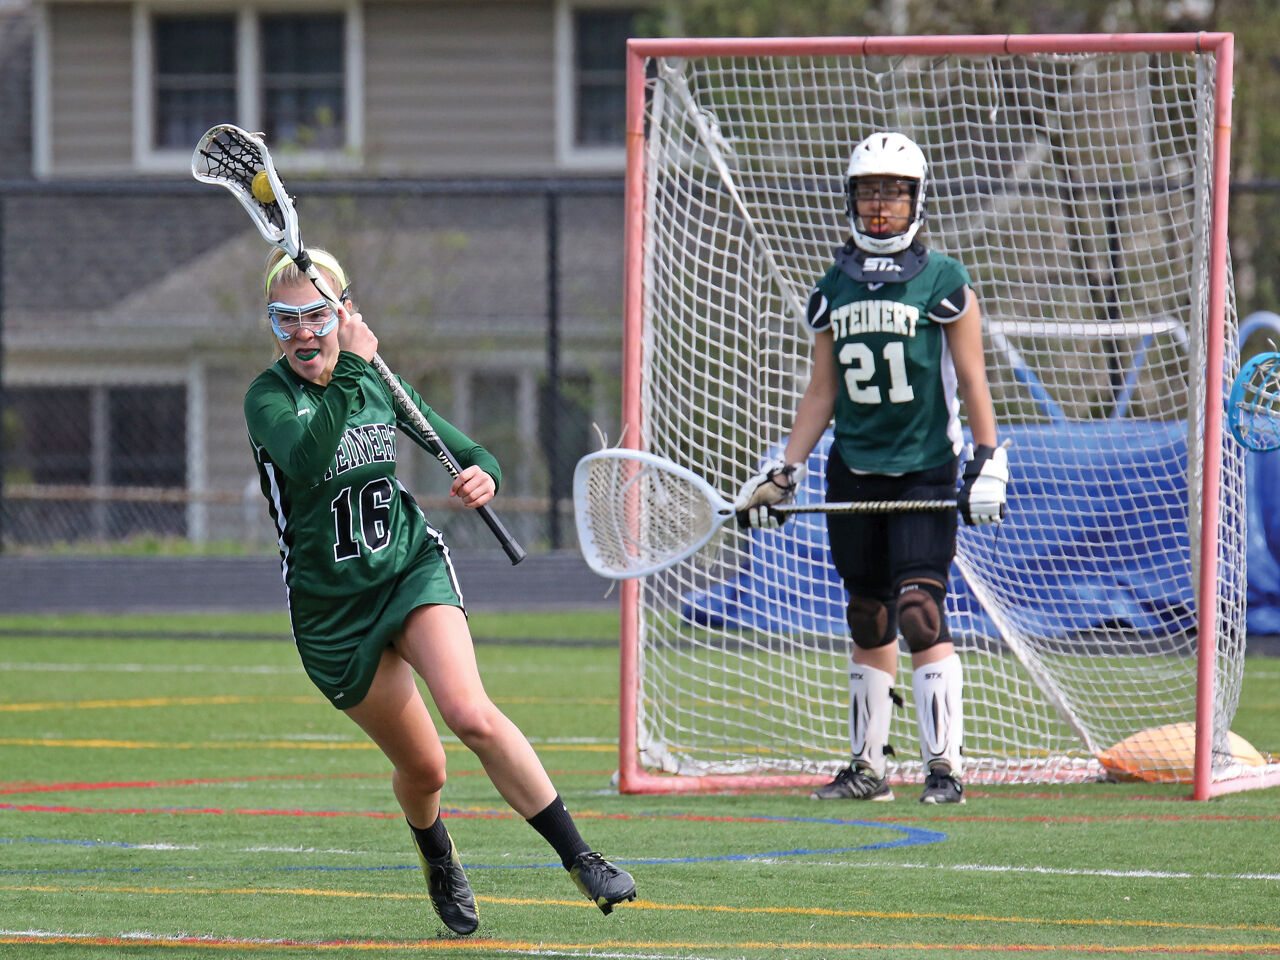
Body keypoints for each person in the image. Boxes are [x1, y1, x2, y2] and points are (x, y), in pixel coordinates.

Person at [243, 247, 636, 935]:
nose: (304, 333)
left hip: (407, 570)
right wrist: (357, 364)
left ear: (344, 312)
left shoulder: (377, 382)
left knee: (471, 714)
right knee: (425, 771)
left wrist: (483, 475)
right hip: (332, 613)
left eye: (317, 315)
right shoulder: (268, 398)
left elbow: (470, 452)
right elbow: (306, 463)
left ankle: (582, 858)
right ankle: (436, 852)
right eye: (286, 320)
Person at [735, 132, 1009, 805]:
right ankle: (867, 769)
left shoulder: (944, 280)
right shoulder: (832, 286)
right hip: (853, 469)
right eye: (867, 190)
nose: (879, 204)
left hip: (924, 468)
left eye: (892, 190)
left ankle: (945, 770)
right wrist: (787, 468)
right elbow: (822, 389)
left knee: (919, 611)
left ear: (917, 198)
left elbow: (973, 377)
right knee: (867, 615)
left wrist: (987, 456)